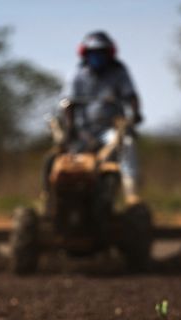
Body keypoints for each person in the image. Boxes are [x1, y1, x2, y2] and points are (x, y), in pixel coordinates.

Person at [59, 30, 144, 204]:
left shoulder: (119, 72)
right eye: (92, 53)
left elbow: (131, 96)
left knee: (127, 144)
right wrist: (70, 129)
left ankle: (131, 195)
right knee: (65, 161)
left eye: (101, 53)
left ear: (109, 53)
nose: (97, 56)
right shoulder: (77, 74)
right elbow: (68, 103)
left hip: (110, 131)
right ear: (85, 54)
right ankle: (59, 201)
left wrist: (135, 115)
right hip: (82, 131)